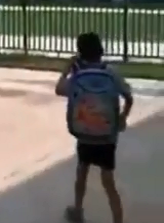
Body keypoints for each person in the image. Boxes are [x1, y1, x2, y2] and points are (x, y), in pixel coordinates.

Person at [56, 32, 133, 223]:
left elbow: (59, 89)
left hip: (85, 135)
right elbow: (128, 97)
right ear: (100, 50)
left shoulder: (77, 76)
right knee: (108, 182)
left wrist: (67, 69)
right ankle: (117, 219)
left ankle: (77, 210)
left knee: (81, 172)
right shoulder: (111, 73)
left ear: (80, 53)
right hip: (107, 136)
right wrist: (122, 117)